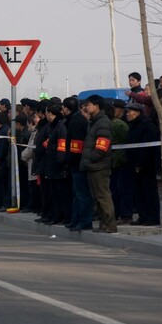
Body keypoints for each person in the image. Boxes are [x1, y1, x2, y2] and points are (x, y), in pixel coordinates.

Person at [81, 95, 116, 234]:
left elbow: (102, 146)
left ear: (97, 106)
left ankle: (110, 224)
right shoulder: (94, 122)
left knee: (103, 196)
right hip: (93, 165)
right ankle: (103, 224)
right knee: (97, 197)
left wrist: (90, 159)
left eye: (89, 104)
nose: (86, 107)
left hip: (99, 166)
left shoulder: (102, 122)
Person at [125, 103, 161, 226]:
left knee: (149, 191)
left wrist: (140, 164)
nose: (128, 114)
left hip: (146, 166)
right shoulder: (133, 126)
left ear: (138, 113)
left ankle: (153, 217)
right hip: (133, 164)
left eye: (130, 112)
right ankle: (143, 216)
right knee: (138, 192)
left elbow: (147, 148)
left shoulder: (147, 126)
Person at [63, 97, 92, 231]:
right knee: (76, 194)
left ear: (67, 108)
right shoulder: (74, 120)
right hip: (76, 164)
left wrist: (70, 161)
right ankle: (75, 219)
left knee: (82, 194)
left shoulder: (76, 122)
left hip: (79, 164)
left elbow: (76, 147)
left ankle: (84, 221)